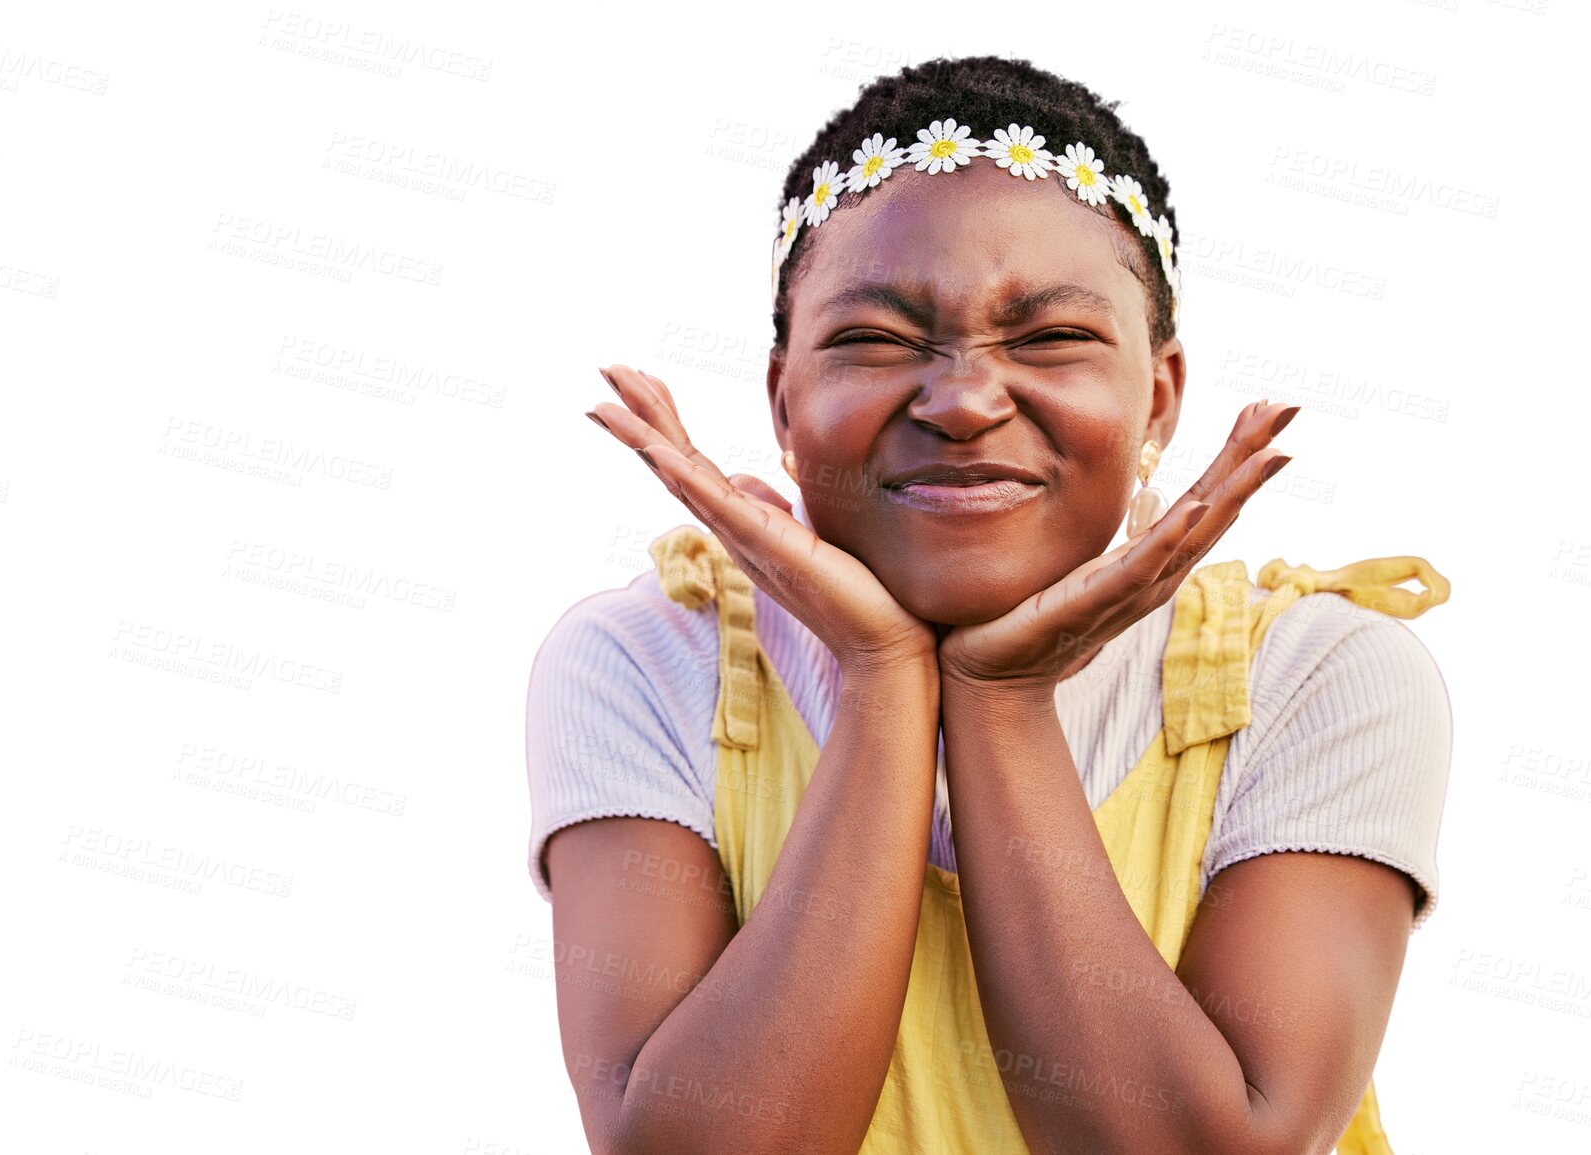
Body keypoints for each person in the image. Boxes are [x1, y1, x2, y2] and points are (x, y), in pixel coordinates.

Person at [527, 55, 1452, 1154]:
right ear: (785, 400)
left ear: (1156, 397)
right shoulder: (650, 661)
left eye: (1051, 338)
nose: (963, 400)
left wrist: (999, 701)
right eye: (874, 341)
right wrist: (881, 684)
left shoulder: (1314, 675)